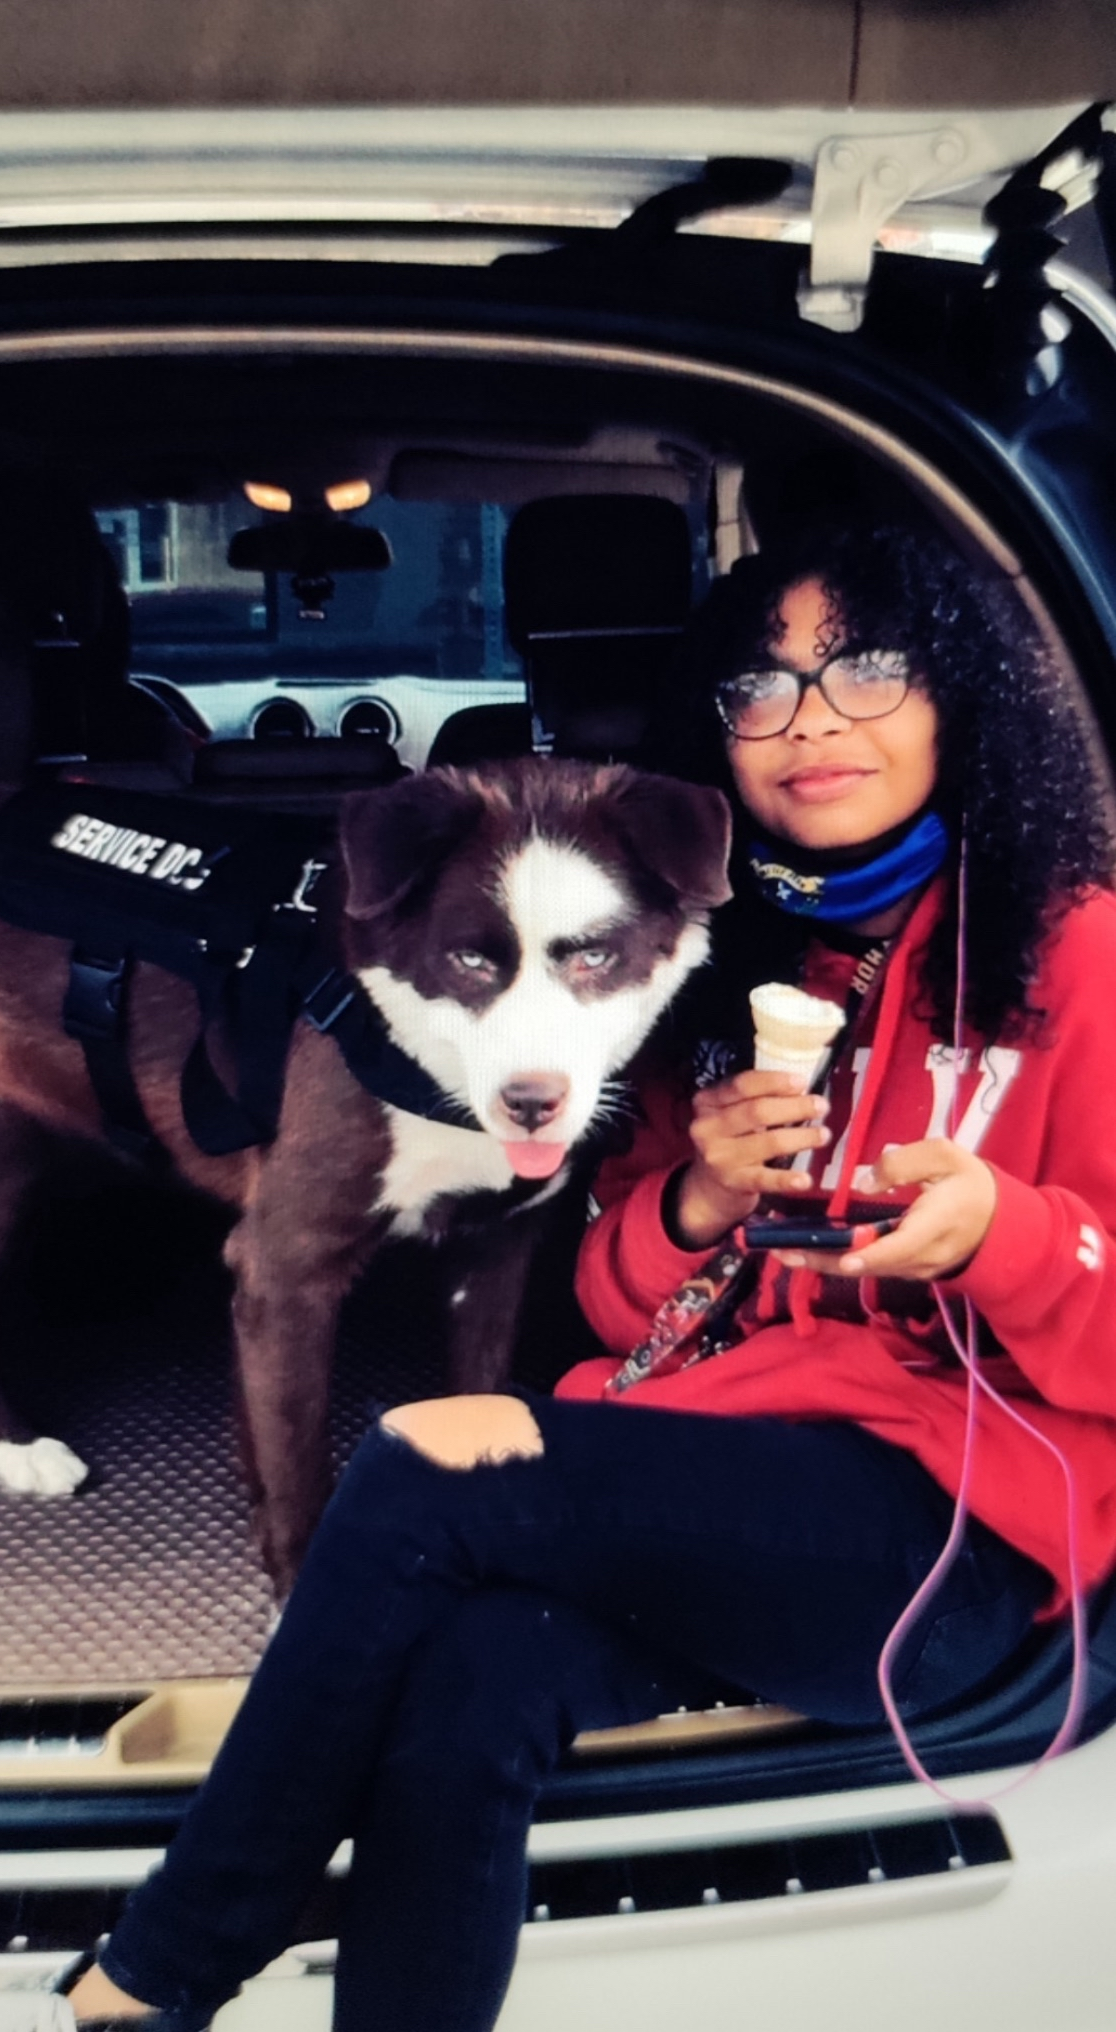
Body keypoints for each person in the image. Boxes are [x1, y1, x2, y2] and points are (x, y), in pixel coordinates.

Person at [70, 523, 1116, 2032]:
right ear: (720, 738)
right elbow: (622, 1311)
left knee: (424, 1460)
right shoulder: (676, 957)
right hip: (729, 1461)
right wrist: (696, 1198)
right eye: (761, 687)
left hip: (958, 1524)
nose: (811, 718)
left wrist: (1006, 1234)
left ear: (960, 696)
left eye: (866, 669)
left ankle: (158, 1970)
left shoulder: (1077, 954)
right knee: (472, 1681)